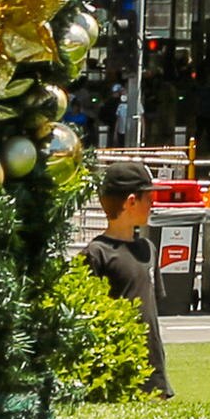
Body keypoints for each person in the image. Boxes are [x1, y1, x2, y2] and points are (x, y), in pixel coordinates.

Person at [80, 156, 171, 395]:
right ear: (131, 202)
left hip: (153, 370)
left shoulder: (147, 249)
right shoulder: (96, 254)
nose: (152, 204)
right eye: (148, 199)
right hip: (118, 371)